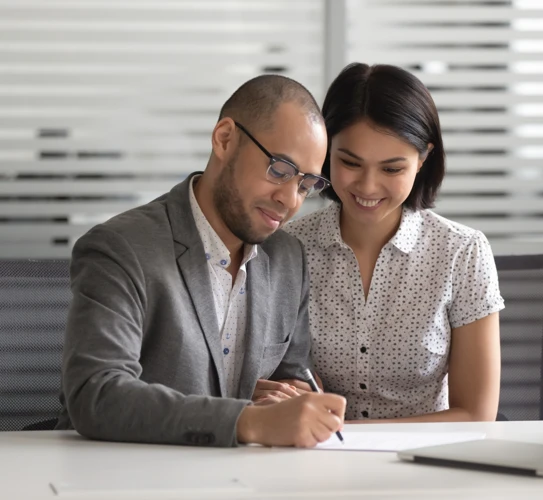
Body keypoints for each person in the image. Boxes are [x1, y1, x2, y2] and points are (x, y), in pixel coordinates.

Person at [56, 74, 346, 448]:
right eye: (280, 170)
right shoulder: (121, 247)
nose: (290, 200)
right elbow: (97, 394)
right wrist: (249, 420)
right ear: (225, 139)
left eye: (305, 185)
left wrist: (293, 396)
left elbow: (296, 373)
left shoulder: (288, 258)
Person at [283, 63, 504, 423]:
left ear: (423, 159)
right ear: (325, 152)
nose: (368, 187)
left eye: (391, 169)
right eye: (350, 163)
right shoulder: (287, 248)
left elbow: (476, 416)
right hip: (317, 459)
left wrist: (358, 436)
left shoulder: (463, 253)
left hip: (426, 464)